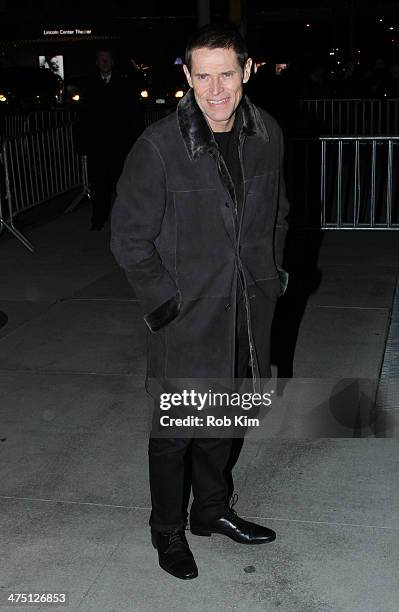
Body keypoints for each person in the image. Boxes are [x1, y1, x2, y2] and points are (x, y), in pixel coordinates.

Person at [110, 23, 289, 580]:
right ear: (187, 77)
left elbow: (277, 213)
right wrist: (167, 305)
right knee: (174, 436)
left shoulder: (269, 135)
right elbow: (129, 239)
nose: (216, 89)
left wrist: (272, 277)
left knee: (224, 421)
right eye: (203, 76)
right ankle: (167, 529)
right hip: (186, 320)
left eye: (227, 74)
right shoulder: (159, 146)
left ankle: (210, 511)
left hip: (245, 311)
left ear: (248, 71)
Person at [79, 49, 138, 230]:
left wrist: (135, 142)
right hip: (97, 144)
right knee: (99, 183)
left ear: (112, 62)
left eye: (107, 60)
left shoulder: (124, 83)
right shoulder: (89, 85)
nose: (104, 63)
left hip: (120, 143)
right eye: (101, 60)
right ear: (97, 63)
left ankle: (124, 219)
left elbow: (133, 114)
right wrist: (82, 142)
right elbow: (82, 115)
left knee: (121, 182)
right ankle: (99, 218)